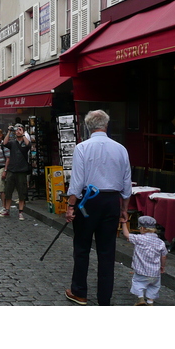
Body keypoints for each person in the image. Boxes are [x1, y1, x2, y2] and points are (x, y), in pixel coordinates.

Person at [65, 110, 132, 306]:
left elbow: (76, 181)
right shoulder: (120, 149)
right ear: (106, 125)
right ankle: (104, 298)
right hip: (112, 200)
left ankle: (79, 292)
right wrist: (124, 208)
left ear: (88, 127)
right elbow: (126, 182)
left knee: (82, 247)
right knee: (107, 251)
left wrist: (70, 206)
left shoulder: (82, 147)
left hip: (88, 201)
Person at [120, 215, 168, 305]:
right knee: (154, 287)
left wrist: (123, 223)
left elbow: (126, 235)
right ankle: (150, 302)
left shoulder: (139, 238)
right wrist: (162, 266)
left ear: (142, 228)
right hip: (155, 273)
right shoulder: (160, 242)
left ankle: (140, 299)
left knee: (138, 283)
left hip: (141, 270)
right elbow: (164, 256)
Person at [0, 123, 31, 219]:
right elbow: (4, 143)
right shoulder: (12, 143)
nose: (18, 131)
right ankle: (7, 210)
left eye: (19, 129)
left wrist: (23, 134)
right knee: (8, 191)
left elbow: (28, 146)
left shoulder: (25, 142)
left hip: (22, 170)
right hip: (12, 170)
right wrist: (9, 131)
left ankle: (20, 212)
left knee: (22, 192)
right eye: (16, 130)